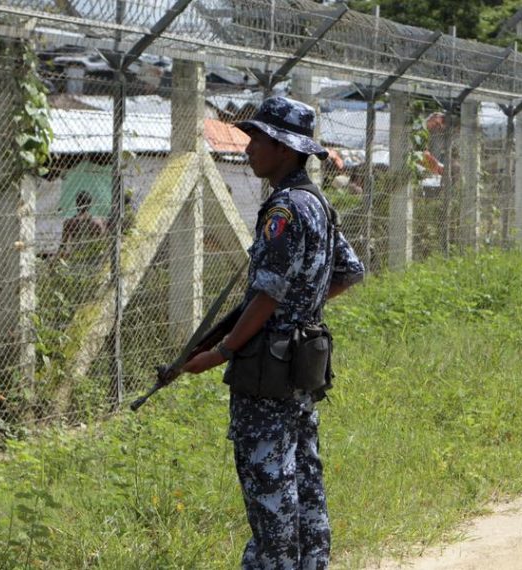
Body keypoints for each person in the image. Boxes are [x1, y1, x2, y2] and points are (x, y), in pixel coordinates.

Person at [179, 96, 364, 569]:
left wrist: (220, 351)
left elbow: (266, 296)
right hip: (302, 363)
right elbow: (348, 270)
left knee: (271, 495)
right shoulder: (317, 202)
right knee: (304, 484)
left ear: (284, 147)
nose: (248, 149)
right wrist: (302, 308)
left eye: (257, 139)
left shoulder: (284, 208)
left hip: (267, 371)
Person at [60, 190, 107, 259]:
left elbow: (63, 245)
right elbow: (103, 242)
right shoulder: (97, 222)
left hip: (76, 257)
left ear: (76, 204)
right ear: (90, 205)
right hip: (94, 257)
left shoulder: (69, 222)